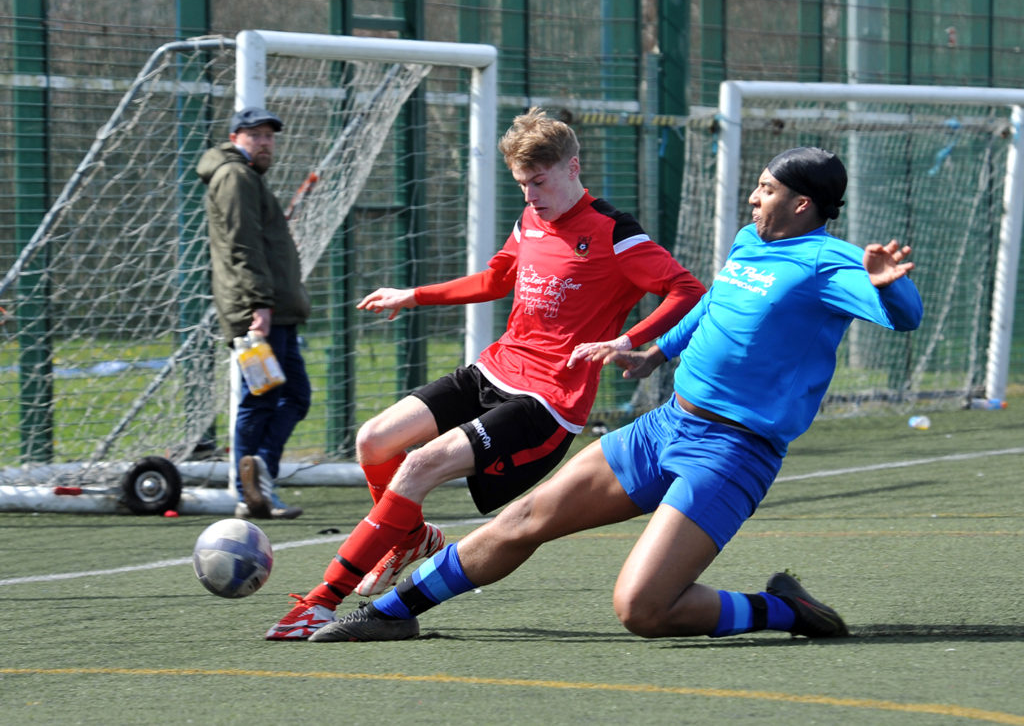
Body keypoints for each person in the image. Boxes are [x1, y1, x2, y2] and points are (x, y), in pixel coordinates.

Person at [308, 145, 924, 643]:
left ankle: (783, 611)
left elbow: (903, 316)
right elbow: (710, 304)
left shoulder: (830, 263)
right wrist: (655, 351)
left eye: (766, 189)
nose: (753, 196)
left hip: (733, 452)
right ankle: (391, 612)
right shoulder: (750, 240)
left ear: (803, 204)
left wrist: (890, 287)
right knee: (521, 520)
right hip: (667, 425)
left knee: (642, 609)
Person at [265, 106, 705, 639]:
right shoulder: (530, 220)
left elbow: (687, 290)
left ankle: (320, 601)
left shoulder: (615, 232)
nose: (529, 195)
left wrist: (629, 340)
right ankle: (411, 538)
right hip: (493, 369)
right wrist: (415, 295)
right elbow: (497, 280)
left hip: (546, 401)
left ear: (572, 166)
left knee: (419, 466)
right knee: (374, 442)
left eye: (538, 181)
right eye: (521, 183)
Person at [197, 107, 311, 520]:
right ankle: (251, 489)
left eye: (269, 135)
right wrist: (259, 305)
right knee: (260, 399)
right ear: (235, 137)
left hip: (274, 309)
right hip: (260, 311)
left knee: (294, 396)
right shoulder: (235, 177)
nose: (265, 142)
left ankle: (258, 477)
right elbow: (241, 247)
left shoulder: (246, 179)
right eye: (255, 134)